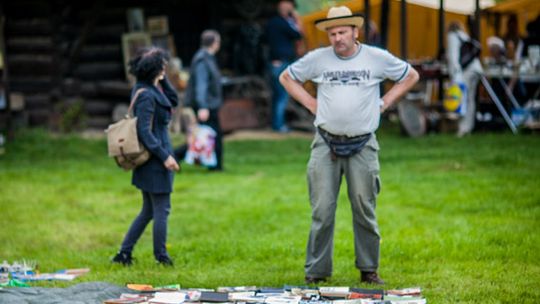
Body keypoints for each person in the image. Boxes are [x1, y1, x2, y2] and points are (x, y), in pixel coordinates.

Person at [279, 6, 419, 285]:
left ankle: (369, 269)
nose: (337, 38)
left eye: (342, 32)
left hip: (364, 144)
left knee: (364, 208)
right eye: (332, 33)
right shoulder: (318, 59)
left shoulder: (376, 58)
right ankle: (317, 271)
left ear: (356, 32)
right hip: (325, 143)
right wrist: (310, 103)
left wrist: (385, 102)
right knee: (321, 209)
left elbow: (410, 75)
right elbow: (286, 77)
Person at [112, 47, 180, 266]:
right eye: (163, 65)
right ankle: (161, 257)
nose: (166, 67)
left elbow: (173, 100)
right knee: (161, 209)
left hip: (153, 158)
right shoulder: (146, 96)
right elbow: (144, 131)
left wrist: (161, 78)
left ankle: (124, 253)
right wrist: (165, 157)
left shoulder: (150, 87)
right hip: (153, 159)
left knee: (148, 210)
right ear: (154, 69)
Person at [183, 29, 224, 171]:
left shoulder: (208, 58)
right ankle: (173, 156)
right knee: (207, 135)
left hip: (209, 103)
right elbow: (201, 85)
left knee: (207, 135)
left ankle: (216, 165)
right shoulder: (202, 59)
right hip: (206, 105)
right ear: (214, 43)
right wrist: (203, 106)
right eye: (218, 41)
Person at [265, 0, 303, 132]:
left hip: (275, 62)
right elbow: (298, 34)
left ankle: (276, 123)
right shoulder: (283, 23)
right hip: (281, 62)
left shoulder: (272, 23)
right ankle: (279, 126)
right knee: (282, 95)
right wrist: (297, 19)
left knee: (277, 95)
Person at [446, 21, 483, 137]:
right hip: (476, 69)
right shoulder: (464, 36)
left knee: (461, 99)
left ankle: (461, 130)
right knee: (470, 99)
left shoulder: (452, 36)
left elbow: (453, 57)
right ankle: (468, 127)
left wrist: (454, 77)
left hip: (465, 71)